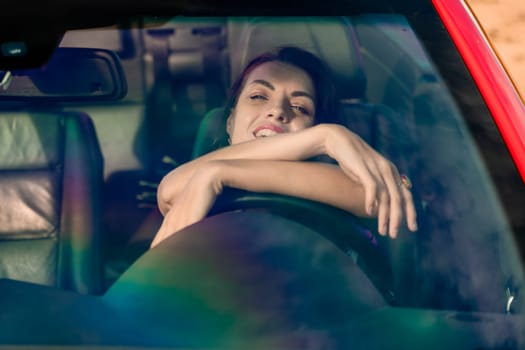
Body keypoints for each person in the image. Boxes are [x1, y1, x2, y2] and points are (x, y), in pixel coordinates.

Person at [151, 46, 417, 248]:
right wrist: (327, 136)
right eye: (258, 96)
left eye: (301, 107)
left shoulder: (338, 181)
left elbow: (378, 198)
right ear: (229, 122)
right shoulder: (195, 176)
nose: (277, 111)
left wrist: (218, 173)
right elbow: (169, 189)